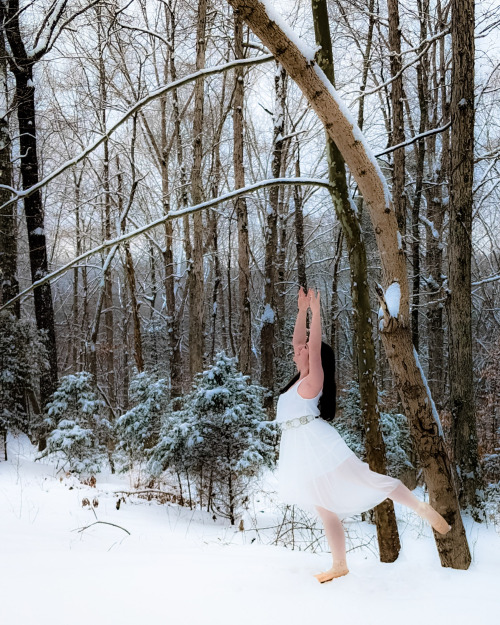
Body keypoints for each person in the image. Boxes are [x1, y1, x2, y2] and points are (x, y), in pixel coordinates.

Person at [275, 287, 451, 583]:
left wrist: (316, 313)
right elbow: (298, 341)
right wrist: (301, 310)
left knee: (366, 479)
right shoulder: (296, 381)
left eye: (304, 348)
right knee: (325, 509)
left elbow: (313, 347)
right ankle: (339, 564)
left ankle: (420, 507)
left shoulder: (313, 380)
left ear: (316, 357)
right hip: (299, 448)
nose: (299, 349)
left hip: (319, 443)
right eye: (299, 348)